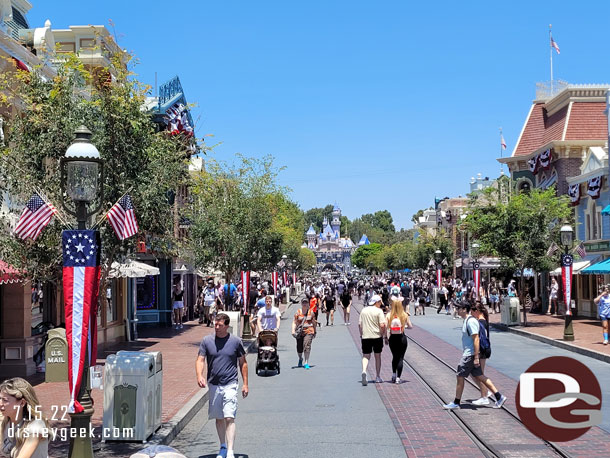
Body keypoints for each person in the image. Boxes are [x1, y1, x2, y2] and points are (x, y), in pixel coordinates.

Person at [196, 313, 248, 458]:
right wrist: (199, 375)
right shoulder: (207, 341)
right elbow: (200, 360)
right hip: (214, 384)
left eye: (220, 325)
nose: (216, 327)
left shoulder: (236, 341)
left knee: (229, 417)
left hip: (230, 383)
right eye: (215, 324)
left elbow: (243, 363)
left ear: (227, 326)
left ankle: (230, 450)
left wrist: (245, 384)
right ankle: (223, 446)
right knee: (219, 418)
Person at [443, 302, 507, 410]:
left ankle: (456, 402)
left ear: (464, 309)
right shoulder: (467, 321)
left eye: (458, 308)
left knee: (460, 375)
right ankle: (499, 397)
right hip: (471, 354)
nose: (456, 310)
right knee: (480, 376)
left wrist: (476, 357)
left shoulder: (471, 321)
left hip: (470, 354)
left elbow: (476, 339)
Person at [0, 377, 49, 458]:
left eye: (5, 400)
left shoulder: (36, 426)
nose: (0, 403)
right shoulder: (6, 423)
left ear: (22, 403)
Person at [359, 294, 387, 385]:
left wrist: (361, 334)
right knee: (377, 356)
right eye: (380, 302)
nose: (381, 304)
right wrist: (383, 334)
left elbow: (360, 324)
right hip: (377, 336)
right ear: (377, 302)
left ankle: (364, 371)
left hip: (366, 336)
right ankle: (378, 376)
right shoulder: (379, 311)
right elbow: (382, 325)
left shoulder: (364, 310)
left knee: (366, 356)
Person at [385, 298, 413, 384]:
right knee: (401, 358)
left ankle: (393, 374)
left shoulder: (389, 315)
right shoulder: (404, 314)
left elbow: (386, 327)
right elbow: (410, 326)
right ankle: (398, 377)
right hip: (402, 338)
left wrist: (386, 338)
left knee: (395, 356)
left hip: (392, 338)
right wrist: (404, 327)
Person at [471, 303, 493, 405]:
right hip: (485, 349)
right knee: (476, 374)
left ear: (477, 311)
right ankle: (485, 393)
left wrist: (476, 353)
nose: (471, 313)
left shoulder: (480, 322)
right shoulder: (483, 320)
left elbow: (478, 339)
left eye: (472, 311)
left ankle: (485, 396)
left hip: (482, 350)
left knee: (479, 374)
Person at [292, 298, 317, 369]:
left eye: (306, 303)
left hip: (309, 331)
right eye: (303, 303)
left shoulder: (311, 312)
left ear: (308, 304)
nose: (305, 304)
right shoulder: (298, 312)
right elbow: (294, 322)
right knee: (299, 348)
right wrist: (293, 331)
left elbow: (314, 322)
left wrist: (315, 331)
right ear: (301, 304)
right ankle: (300, 358)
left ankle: (306, 362)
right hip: (300, 332)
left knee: (307, 346)